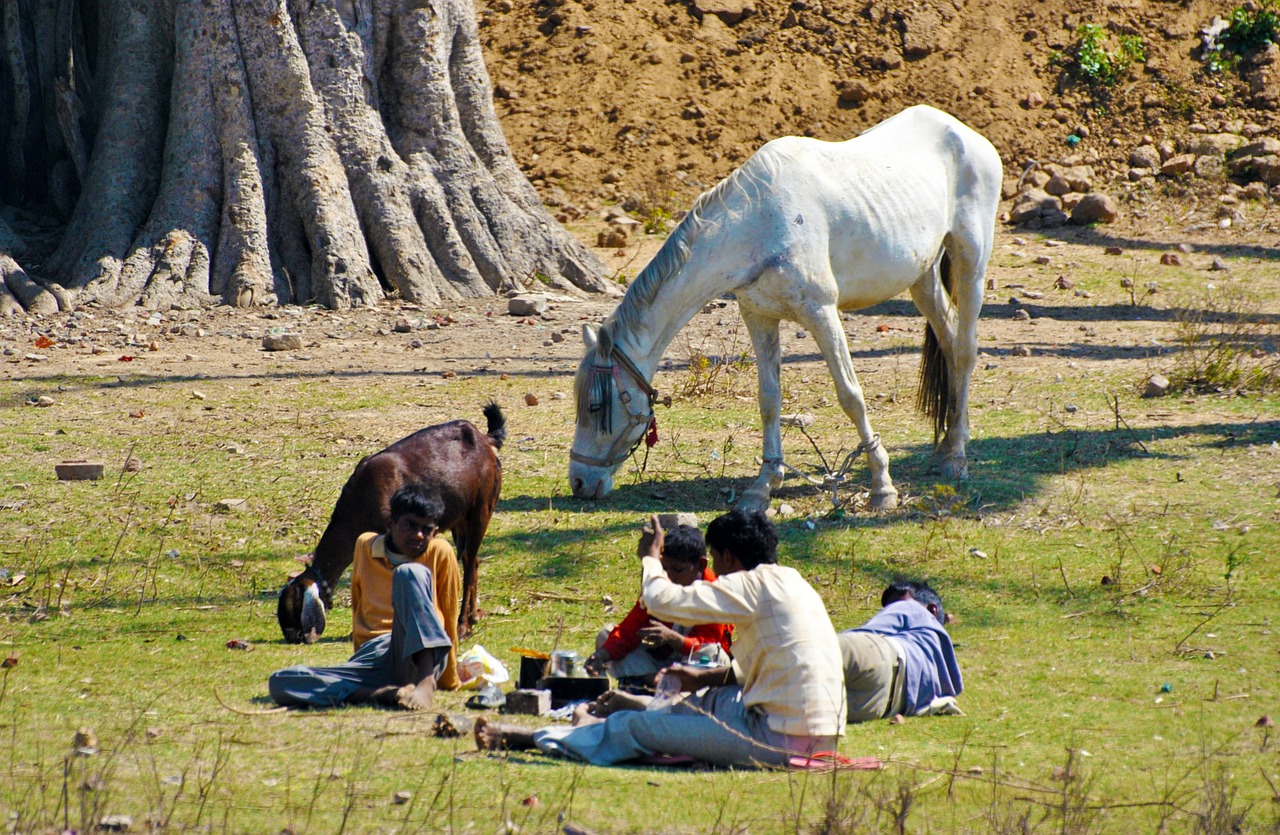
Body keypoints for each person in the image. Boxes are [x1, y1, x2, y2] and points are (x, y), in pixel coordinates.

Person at [475, 509, 847, 768]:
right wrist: (701, 678)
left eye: (716, 559)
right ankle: (608, 724)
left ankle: (532, 738)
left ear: (728, 558)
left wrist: (651, 558)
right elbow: (763, 668)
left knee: (639, 728)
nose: (715, 569)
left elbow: (660, 598)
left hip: (780, 740)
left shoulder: (750, 585)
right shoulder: (793, 582)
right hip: (808, 731)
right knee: (699, 701)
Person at [268, 483, 461, 710]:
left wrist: (448, 679)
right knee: (282, 681)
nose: (418, 535)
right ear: (390, 524)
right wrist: (360, 663)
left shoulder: (440, 551)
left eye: (426, 529)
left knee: (409, 573)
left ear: (435, 532)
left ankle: (425, 683)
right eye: (410, 525)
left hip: (419, 657)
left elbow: (449, 616)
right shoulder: (365, 546)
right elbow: (360, 609)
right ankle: (379, 694)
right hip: (374, 658)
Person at [584, 523, 733, 689]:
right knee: (606, 635)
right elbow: (629, 629)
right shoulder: (659, 583)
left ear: (701, 565)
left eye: (677, 569)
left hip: (694, 667)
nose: (669, 576)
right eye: (664, 569)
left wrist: (673, 639)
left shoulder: (715, 593)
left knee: (712, 654)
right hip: (659, 662)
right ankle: (659, 684)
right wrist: (601, 656)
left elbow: (708, 645)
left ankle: (649, 683)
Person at [839, 579, 963, 723]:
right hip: (884, 704)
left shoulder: (912, 608)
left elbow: (867, 633)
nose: (888, 612)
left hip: (882, 655)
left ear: (932, 610)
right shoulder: (939, 661)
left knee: (815, 649)